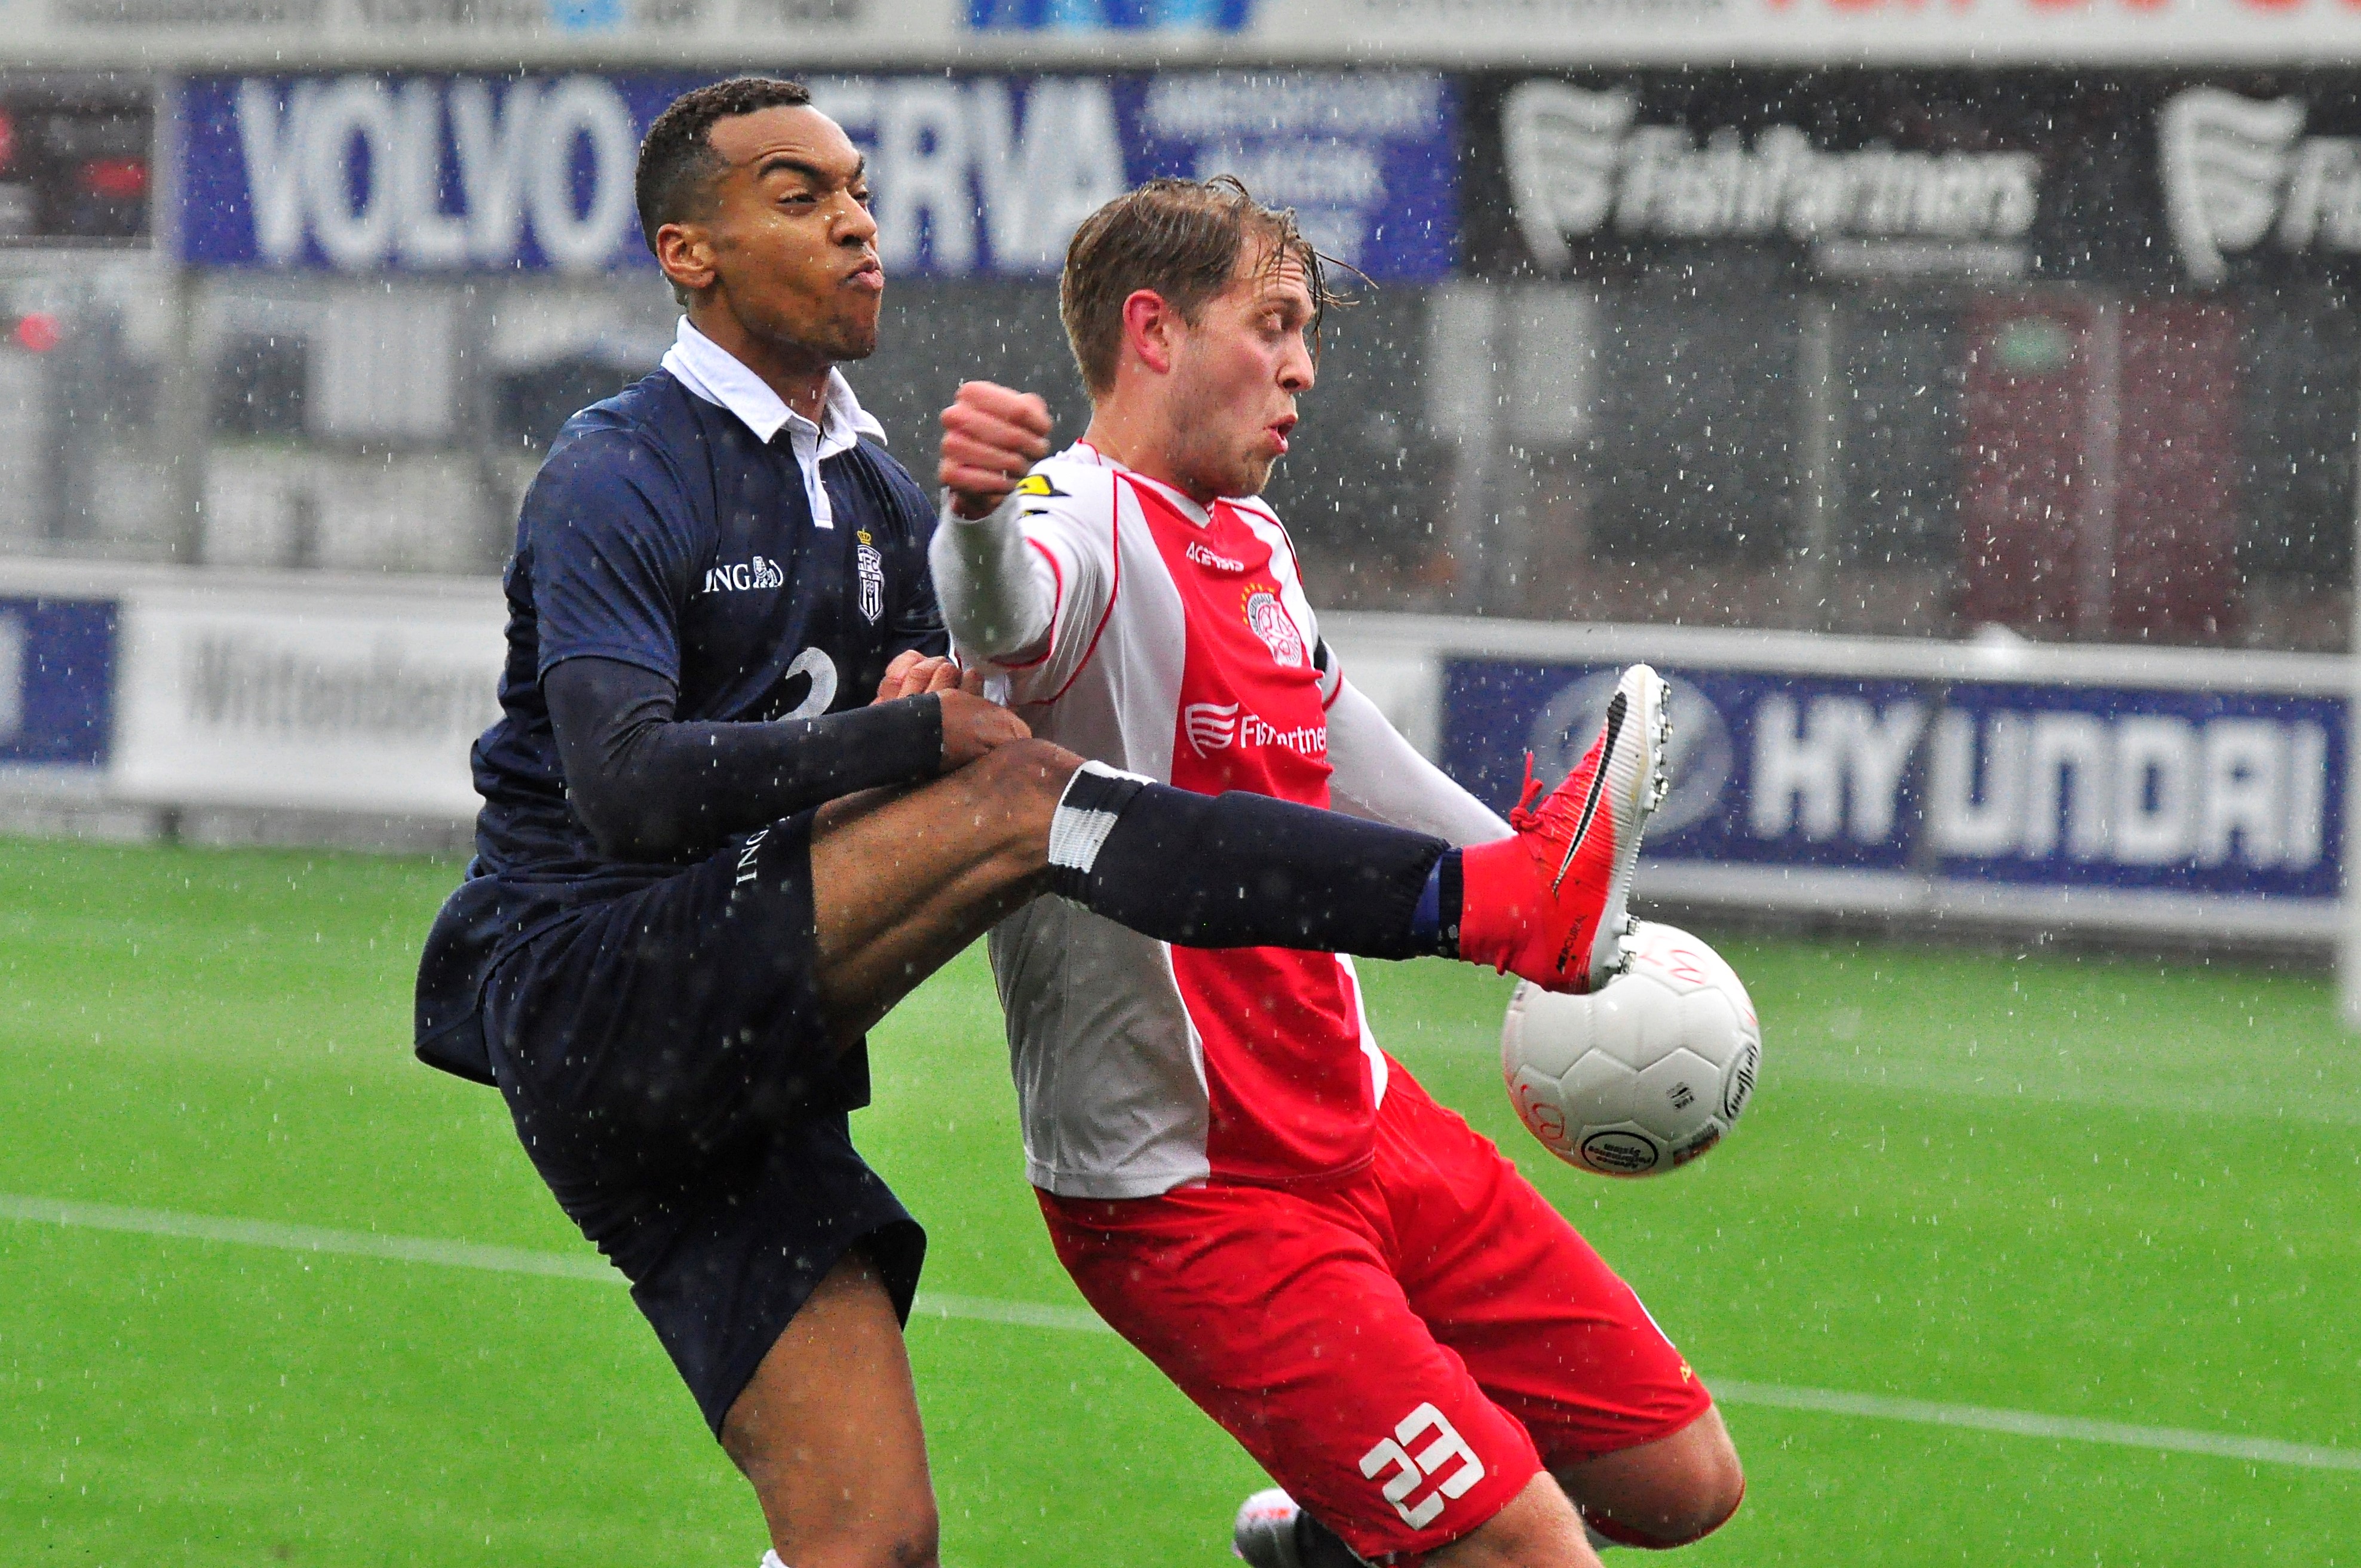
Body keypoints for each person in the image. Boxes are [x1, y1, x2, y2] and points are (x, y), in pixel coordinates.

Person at [413, 84, 1696, 1568]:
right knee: (1028, 803)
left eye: (859, 190)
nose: (853, 221)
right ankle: (1482, 905)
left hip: (750, 1062)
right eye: (796, 192)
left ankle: (1503, 904)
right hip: (600, 992)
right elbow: (625, 785)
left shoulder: (879, 493)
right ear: (685, 252)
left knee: (870, 1541)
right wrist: (909, 724)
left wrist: (918, 698)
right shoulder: (617, 467)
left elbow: (972, 663)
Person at [930, 176, 1746, 1568]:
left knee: (1680, 1481)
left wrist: (1525, 873)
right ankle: (1386, 1518)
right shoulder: (1074, 519)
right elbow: (1006, 611)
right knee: (1536, 1554)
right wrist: (976, 514)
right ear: (1154, 330)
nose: (1304, 364)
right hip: (1191, 1195)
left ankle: (1327, 1533)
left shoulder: (1251, 539)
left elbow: (1333, 728)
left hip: (1364, 1123)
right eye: (1275, 323)